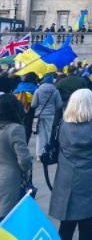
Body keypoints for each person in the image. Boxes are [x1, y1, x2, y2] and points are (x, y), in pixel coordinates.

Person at [49, 89, 92, 240]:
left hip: (68, 176)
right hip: (90, 177)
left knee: (67, 222)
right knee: (88, 223)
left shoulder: (63, 125)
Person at [0, 93, 32, 221]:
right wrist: (27, 168)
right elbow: (24, 159)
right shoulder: (15, 129)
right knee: (8, 218)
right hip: (10, 179)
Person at [31, 74, 63, 156]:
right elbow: (59, 105)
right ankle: (48, 152)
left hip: (40, 114)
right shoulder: (55, 91)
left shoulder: (38, 90)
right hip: (51, 114)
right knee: (49, 133)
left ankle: (39, 153)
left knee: (40, 134)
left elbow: (33, 104)